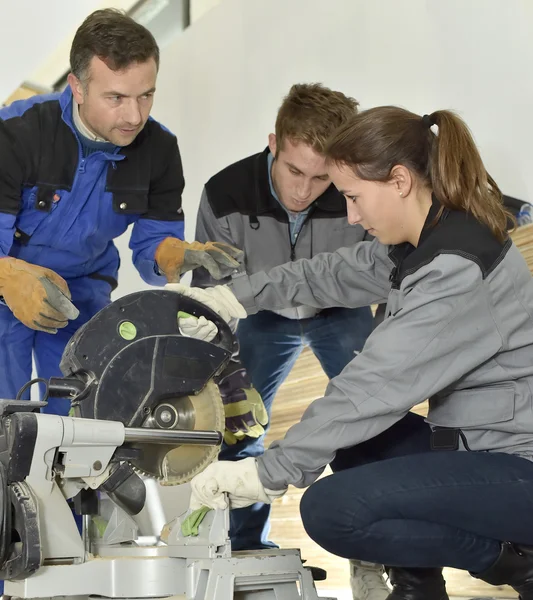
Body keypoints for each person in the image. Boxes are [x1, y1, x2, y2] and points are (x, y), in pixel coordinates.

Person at [173, 106, 533, 600]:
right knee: (351, 440)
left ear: (400, 181)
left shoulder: (454, 267)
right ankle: (419, 588)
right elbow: (331, 272)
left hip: (517, 468)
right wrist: (234, 297)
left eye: (352, 196)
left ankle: (515, 563)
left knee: (331, 510)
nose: (351, 215)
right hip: (471, 445)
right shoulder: (427, 238)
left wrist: (268, 473)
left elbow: (373, 387)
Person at [0, 9, 241, 415]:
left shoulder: (160, 151)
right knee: (8, 412)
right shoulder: (16, 134)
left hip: (84, 294)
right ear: (77, 87)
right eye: (116, 97)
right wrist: (6, 278)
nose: (134, 116)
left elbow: (150, 250)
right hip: (9, 289)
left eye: (145, 95)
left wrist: (174, 254)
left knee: (83, 410)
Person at [191, 82, 376, 578]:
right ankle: (248, 550)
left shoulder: (357, 190)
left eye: (321, 178)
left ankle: (373, 555)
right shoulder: (224, 193)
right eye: (294, 170)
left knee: (370, 419)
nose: (303, 189)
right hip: (261, 317)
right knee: (240, 423)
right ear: (273, 142)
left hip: (341, 310)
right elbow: (210, 290)